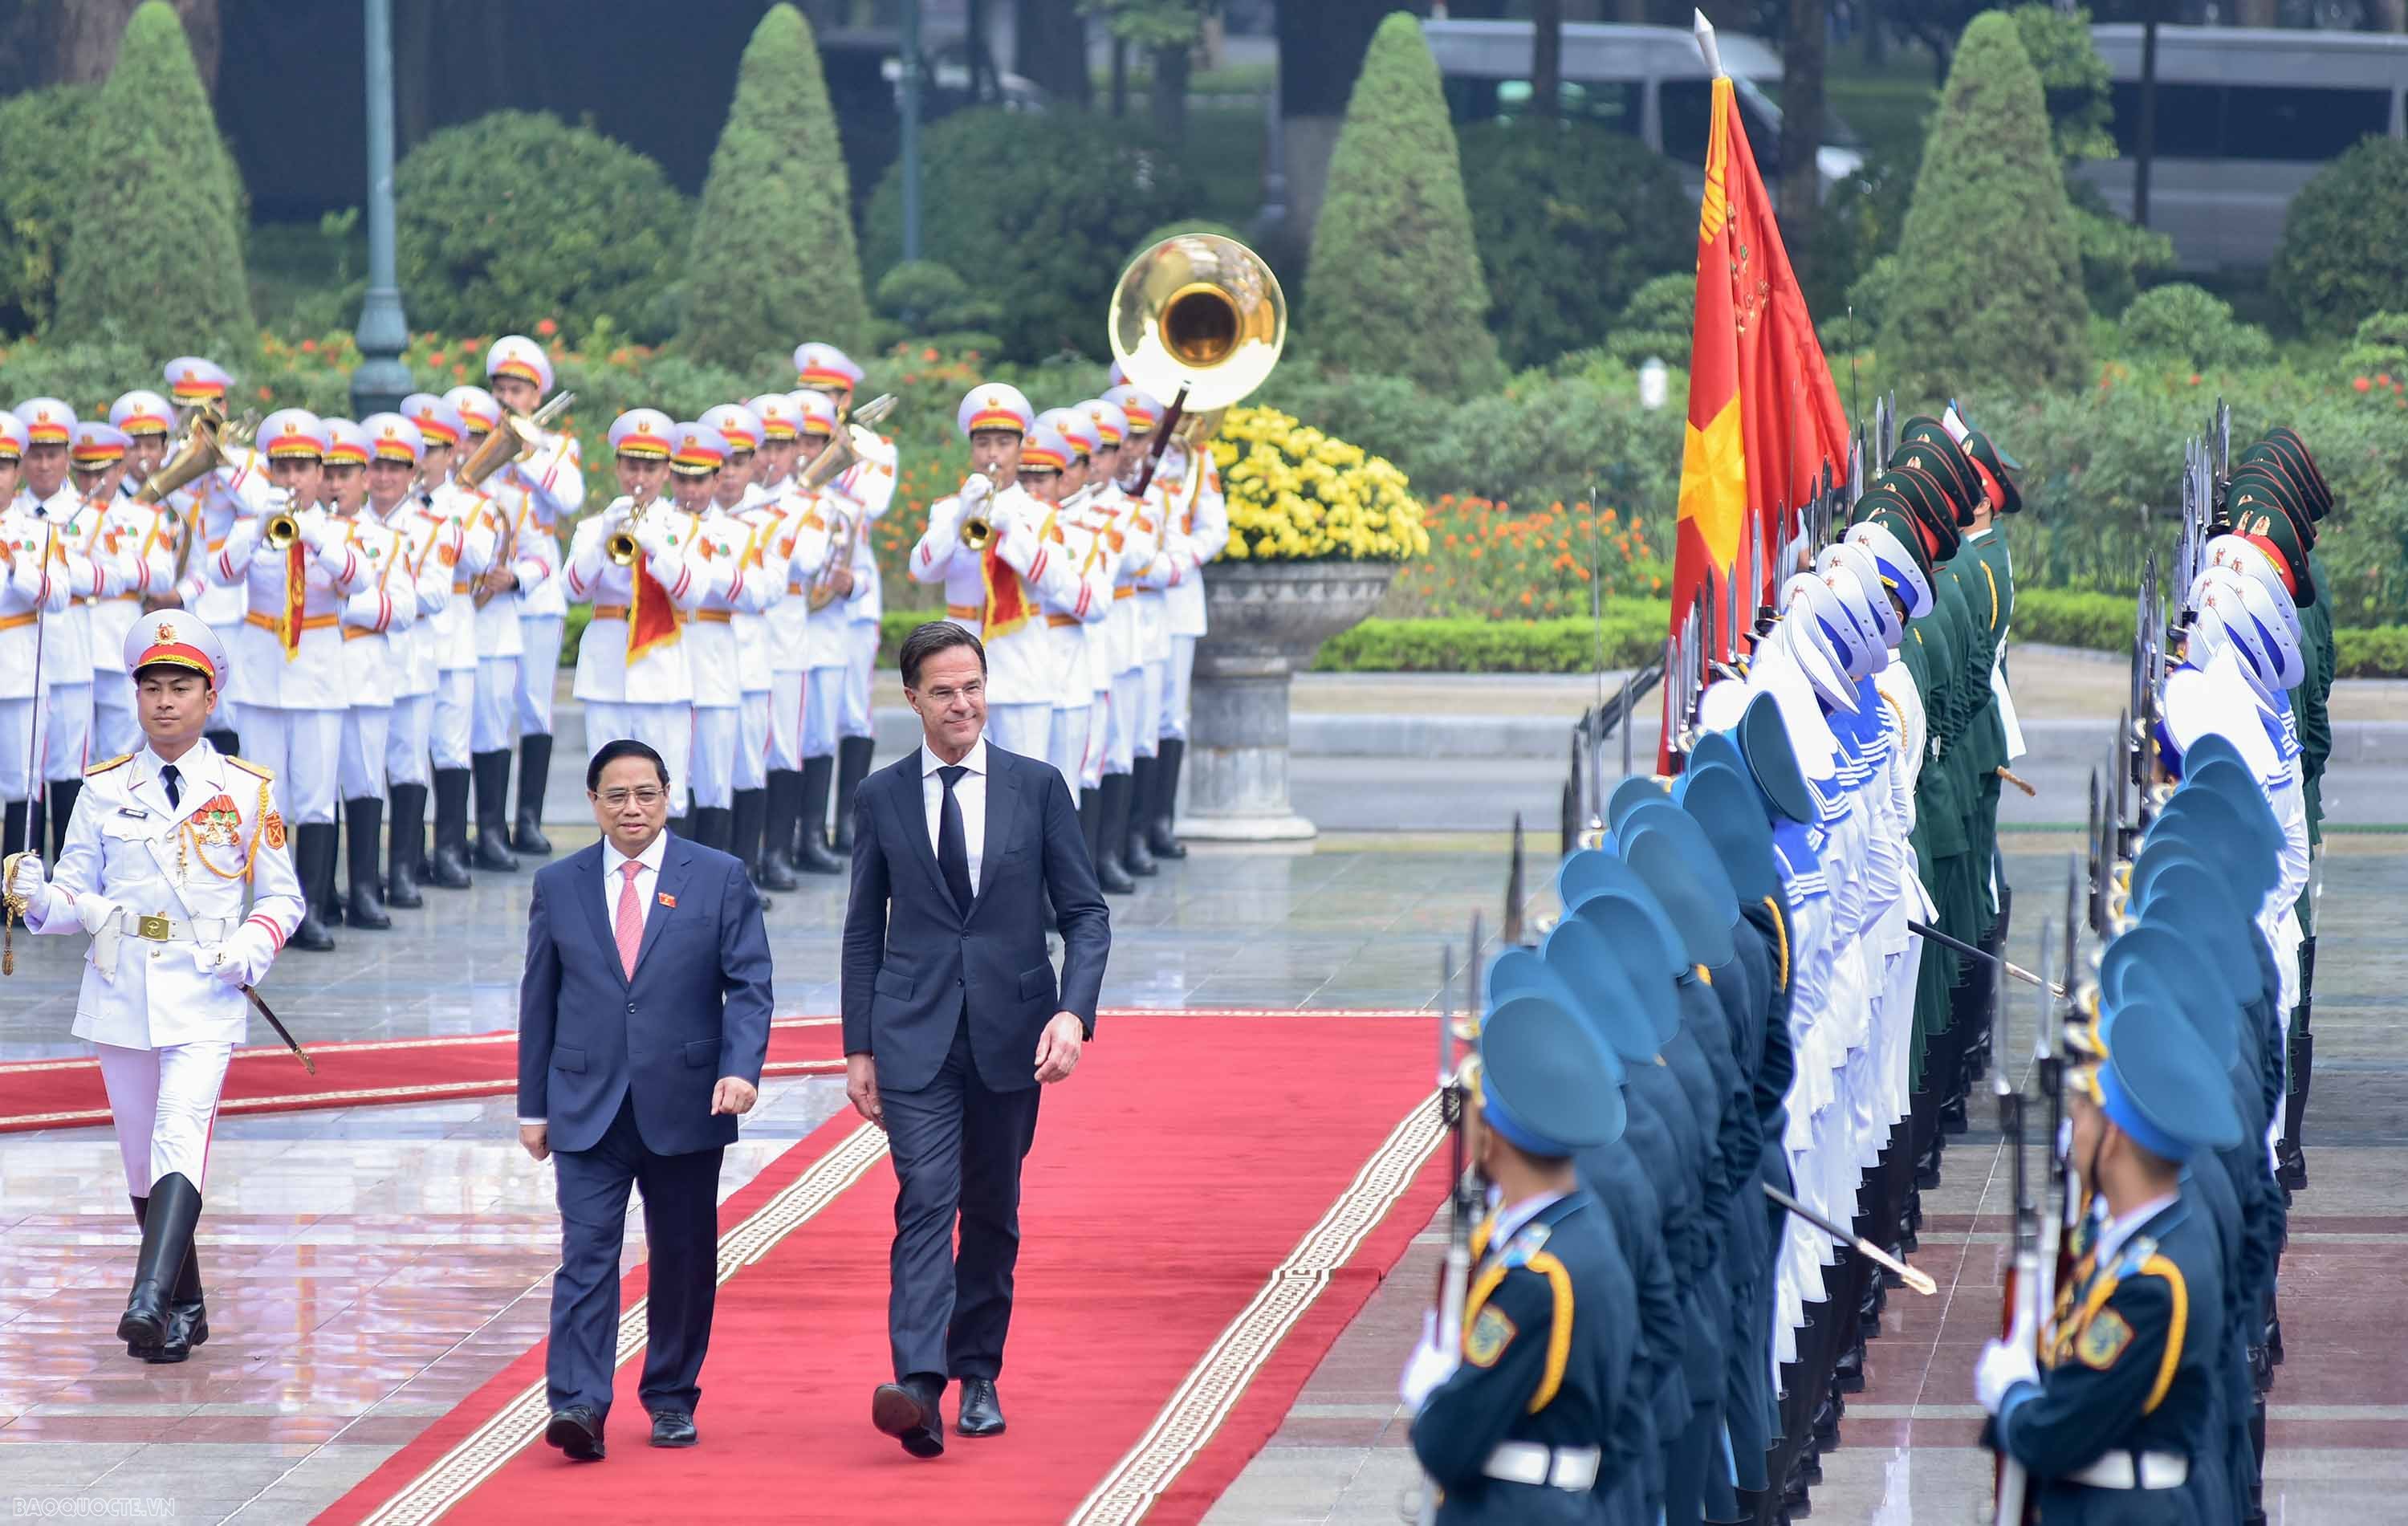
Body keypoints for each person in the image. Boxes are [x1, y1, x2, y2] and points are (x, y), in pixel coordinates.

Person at [4, 612, 305, 1363]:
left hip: (203, 987)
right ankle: (186, 1303)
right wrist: (35, 896)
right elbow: (75, 897)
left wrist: (250, 944)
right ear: (136, 699)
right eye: (152, 688)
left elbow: (282, 898)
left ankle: (144, 1299)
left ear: (210, 698)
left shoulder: (243, 789)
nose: (165, 702)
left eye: (181, 687)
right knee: (141, 1156)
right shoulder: (104, 789)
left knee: (179, 1134)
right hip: (119, 984)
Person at [840, 621, 1110, 1455]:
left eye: (973, 687)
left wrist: (1073, 1012)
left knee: (992, 1207)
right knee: (926, 1198)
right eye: (945, 691)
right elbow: (861, 930)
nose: (963, 704)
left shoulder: (1037, 787)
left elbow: (1085, 914)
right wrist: (859, 1048)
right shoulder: (882, 795)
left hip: (1012, 1034)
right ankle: (918, 1384)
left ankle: (978, 1371)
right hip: (913, 1033)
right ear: (913, 698)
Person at [516, 737, 772, 1461]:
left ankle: (669, 1395)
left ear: (667, 797)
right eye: (617, 795)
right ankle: (578, 1403)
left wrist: (741, 1068)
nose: (633, 808)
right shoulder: (559, 884)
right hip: (585, 1103)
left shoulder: (718, 877)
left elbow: (750, 983)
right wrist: (532, 1106)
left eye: (647, 794)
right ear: (593, 802)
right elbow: (541, 999)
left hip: (690, 1101)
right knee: (586, 1254)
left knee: (684, 1258)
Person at [1976, 995, 2239, 1523]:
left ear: (2114, 1136)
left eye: (2082, 1110)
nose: (2071, 1128)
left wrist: (2012, 1397)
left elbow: (2059, 1431)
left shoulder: (2153, 1281)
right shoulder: (2137, 1240)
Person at [1400, 985, 1635, 1522]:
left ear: (1493, 1137)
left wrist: (1435, 1390)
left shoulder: (1535, 1279)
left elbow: (1446, 1444)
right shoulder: (1586, 1230)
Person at [227, 410, 375, 951]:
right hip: (263, 671)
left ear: (319, 473)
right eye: (282, 466)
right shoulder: (253, 522)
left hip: (316, 670)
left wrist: (314, 537)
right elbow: (222, 571)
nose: (292, 478)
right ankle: (271, 907)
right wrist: (252, 531)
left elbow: (361, 580)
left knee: (315, 798)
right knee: (267, 799)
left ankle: (309, 908)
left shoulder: (337, 530)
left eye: (302, 468)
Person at [908, 386, 1086, 762]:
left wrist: (1013, 532)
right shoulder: (948, 511)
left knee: (1025, 779)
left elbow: (1063, 585)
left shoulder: (1041, 514)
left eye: (1004, 443)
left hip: (1022, 662)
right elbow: (922, 569)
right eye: (984, 443)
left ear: (1021, 448)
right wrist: (960, 517)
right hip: (958, 657)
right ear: (972, 449)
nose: (992, 454)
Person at [561, 410, 714, 816]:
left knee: (666, 789)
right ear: (617, 467)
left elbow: (693, 594)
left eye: (649, 467)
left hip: (662, 667)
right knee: (608, 785)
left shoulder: (686, 528)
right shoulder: (595, 526)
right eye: (631, 466)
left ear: (666, 471)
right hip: (607, 666)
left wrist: (657, 549)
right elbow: (572, 590)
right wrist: (601, 543)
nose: (639, 477)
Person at [485, 335, 584, 857]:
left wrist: (523, 449)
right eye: (500, 386)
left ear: (536, 394)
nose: (507, 396)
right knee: (492, 706)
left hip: (539, 589)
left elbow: (569, 497)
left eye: (518, 389)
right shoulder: (480, 440)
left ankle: (529, 818)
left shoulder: (557, 447)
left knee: (534, 707)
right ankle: (491, 825)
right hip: (491, 587)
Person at [794, 342, 895, 852]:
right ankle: (804, 827)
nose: (814, 402)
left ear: (845, 396)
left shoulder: (875, 449)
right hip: (797, 588)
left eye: (825, 394)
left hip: (849, 587)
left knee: (851, 710)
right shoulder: (792, 442)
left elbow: (871, 503)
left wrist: (839, 450)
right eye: (807, 392)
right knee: (800, 717)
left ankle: (849, 824)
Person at [364, 414, 453, 913]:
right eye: (375, 467)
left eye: (395, 468)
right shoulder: (346, 523)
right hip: (360, 661)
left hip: (411, 660)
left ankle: (402, 868)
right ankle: (365, 872)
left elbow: (438, 592)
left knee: (407, 765)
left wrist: (389, 600)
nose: (383, 478)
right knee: (363, 771)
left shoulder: (430, 527)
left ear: (413, 471)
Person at [11, 398, 105, 858]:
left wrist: (66, 567)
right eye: (35, 454)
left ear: (68, 456)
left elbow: (114, 575)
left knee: (70, 768)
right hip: (18, 659)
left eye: (53, 454)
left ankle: (68, 872)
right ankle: (21, 875)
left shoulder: (91, 514)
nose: (44, 464)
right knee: (23, 772)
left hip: (69, 653)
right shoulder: (12, 515)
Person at [401, 393, 482, 890]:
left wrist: (441, 522)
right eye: (419, 449)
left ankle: (450, 847)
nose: (424, 459)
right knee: (408, 751)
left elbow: (479, 556)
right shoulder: (387, 504)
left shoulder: (469, 504)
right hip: (408, 640)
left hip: (453, 633)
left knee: (452, 748)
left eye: (434, 449)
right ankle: (406, 857)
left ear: (451, 453)